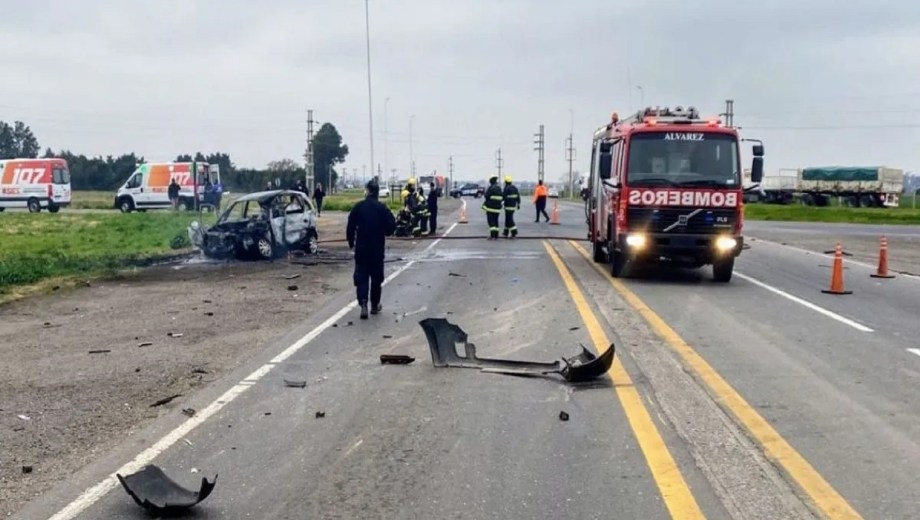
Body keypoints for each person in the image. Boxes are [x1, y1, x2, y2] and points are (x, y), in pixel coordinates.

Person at [346, 180, 397, 319]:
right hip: (377, 248)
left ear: (367, 191)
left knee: (362, 276)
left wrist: (351, 242)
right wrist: (385, 231)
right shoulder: (382, 208)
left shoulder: (359, 207)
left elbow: (350, 225)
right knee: (376, 278)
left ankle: (363, 303)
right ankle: (374, 305)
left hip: (361, 248)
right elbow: (391, 226)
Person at [482, 175, 503, 239]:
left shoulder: (491, 188)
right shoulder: (499, 188)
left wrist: (484, 193)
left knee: (491, 222)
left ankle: (492, 235)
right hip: (498, 209)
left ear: (491, 181)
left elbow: (486, 196)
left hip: (491, 208)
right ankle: (496, 235)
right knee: (496, 221)